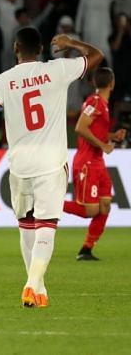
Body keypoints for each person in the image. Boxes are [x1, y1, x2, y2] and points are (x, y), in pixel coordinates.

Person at [0, 29, 103, 308]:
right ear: (41, 48)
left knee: (26, 225)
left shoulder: (2, 81)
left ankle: (39, 288)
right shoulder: (58, 69)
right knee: (46, 226)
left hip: (19, 165)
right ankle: (32, 283)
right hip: (51, 162)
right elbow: (97, 57)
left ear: (15, 47)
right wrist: (71, 44)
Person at [63, 68, 127, 260]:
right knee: (89, 210)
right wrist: (103, 145)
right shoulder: (95, 102)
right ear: (112, 83)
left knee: (105, 206)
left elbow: (94, 130)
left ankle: (86, 249)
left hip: (98, 162)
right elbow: (80, 127)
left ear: (94, 82)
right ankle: (47, 204)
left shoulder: (102, 104)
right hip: (87, 162)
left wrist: (111, 137)